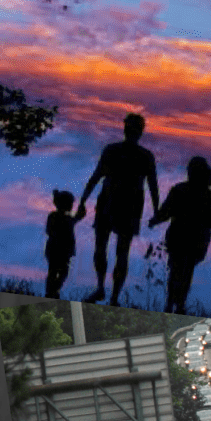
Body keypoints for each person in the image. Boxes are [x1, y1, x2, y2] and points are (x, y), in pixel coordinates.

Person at [79, 113, 159, 306]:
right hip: (111, 201)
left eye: (131, 127)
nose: (129, 130)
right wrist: (83, 200)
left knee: (118, 251)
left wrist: (157, 211)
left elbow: (153, 186)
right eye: (129, 127)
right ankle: (103, 290)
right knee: (107, 249)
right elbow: (97, 175)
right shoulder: (115, 151)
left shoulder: (143, 156)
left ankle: (111, 295)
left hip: (126, 205)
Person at [148, 156, 211, 314]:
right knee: (185, 274)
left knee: (176, 272)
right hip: (194, 241)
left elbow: (166, 211)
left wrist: (155, 220)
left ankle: (172, 305)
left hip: (181, 238)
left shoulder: (180, 190)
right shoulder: (205, 194)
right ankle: (177, 305)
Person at [44, 189, 86, 299]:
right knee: (56, 272)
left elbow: (78, 217)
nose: (72, 206)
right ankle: (51, 292)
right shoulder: (57, 217)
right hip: (57, 249)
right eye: (71, 203)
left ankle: (52, 291)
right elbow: (49, 231)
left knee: (59, 272)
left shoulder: (63, 218)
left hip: (59, 250)